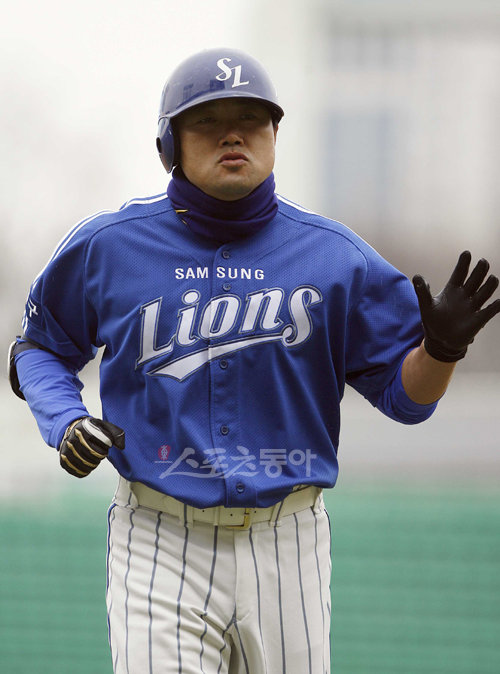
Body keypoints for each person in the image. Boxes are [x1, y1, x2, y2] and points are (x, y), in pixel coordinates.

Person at [8, 47, 500, 674]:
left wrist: (442, 349)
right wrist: (66, 422)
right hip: (159, 538)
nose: (234, 132)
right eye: (209, 119)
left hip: (287, 541)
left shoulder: (334, 256)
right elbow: (38, 349)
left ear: (274, 136)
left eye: (253, 117)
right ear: (170, 144)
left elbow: (408, 402)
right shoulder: (111, 246)